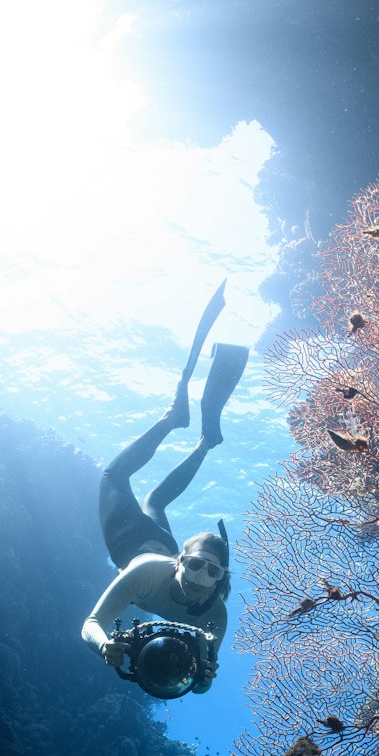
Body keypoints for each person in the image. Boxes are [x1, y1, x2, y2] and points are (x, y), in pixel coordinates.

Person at [81, 285, 248, 693]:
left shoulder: (215, 614)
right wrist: (104, 644)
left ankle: (205, 442)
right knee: (113, 477)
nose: (200, 577)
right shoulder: (145, 575)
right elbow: (92, 625)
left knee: (155, 499)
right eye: (196, 565)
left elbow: (204, 680)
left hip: (149, 543)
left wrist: (206, 676)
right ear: (180, 561)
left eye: (211, 572)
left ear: (220, 579)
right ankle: (173, 418)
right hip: (136, 546)